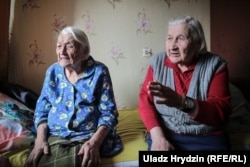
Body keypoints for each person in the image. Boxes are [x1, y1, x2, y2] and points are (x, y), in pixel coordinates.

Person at [26, 26, 122, 167]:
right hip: (55, 135)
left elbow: (109, 113)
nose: (62, 52)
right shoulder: (53, 71)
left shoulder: (99, 72)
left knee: (78, 161)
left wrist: (94, 143)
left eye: (69, 46)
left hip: (87, 136)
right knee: (35, 160)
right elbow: (42, 109)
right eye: (59, 46)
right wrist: (40, 140)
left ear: (84, 51)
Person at [138, 16, 232, 151]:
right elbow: (145, 101)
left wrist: (182, 103)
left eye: (181, 38)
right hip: (166, 133)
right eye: (170, 38)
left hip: (206, 136)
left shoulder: (216, 65)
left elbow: (221, 110)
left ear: (198, 43)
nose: (173, 46)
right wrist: (158, 137)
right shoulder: (157, 62)